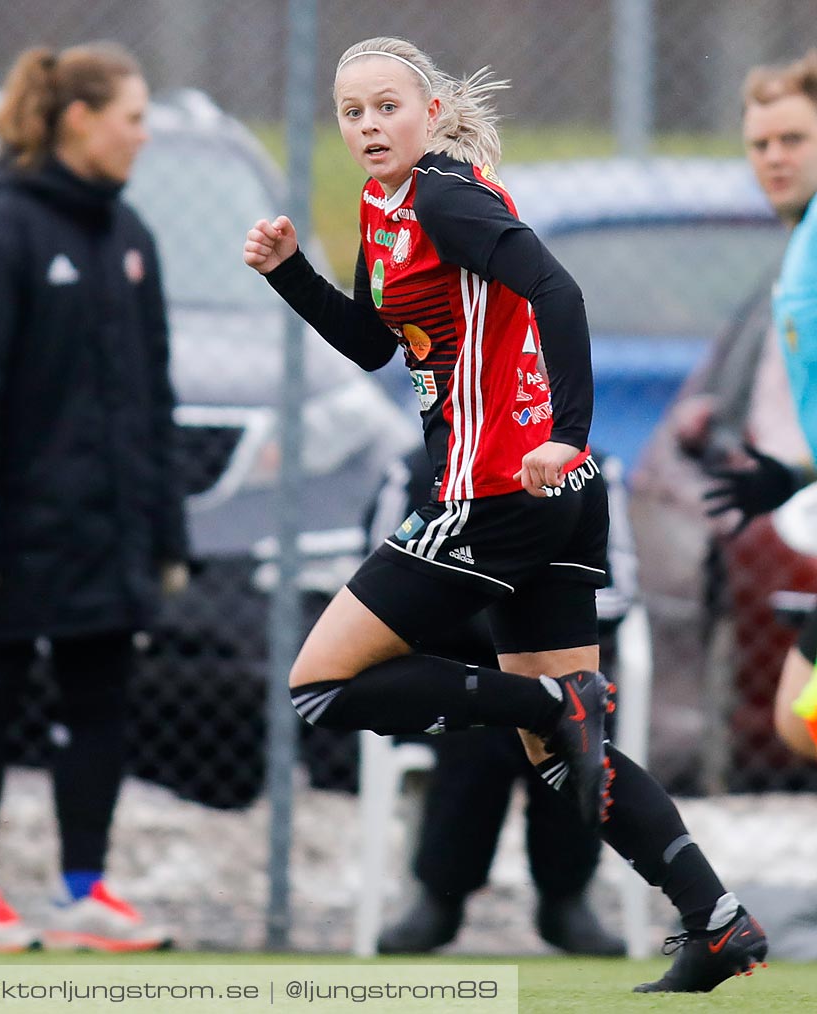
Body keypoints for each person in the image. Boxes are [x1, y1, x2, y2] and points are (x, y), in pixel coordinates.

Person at [241, 36, 767, 992]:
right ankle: (717, 919)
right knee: (570, 758)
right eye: (351, 111)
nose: (367, 125)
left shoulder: (445, 194)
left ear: (431, 111)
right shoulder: (385, 206)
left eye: (386, 106)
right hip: (545, 501)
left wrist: (567, 430)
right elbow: (372, 344)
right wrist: (289, 274)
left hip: (499, 490)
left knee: (320, 683)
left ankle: (545, 705)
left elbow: (555, 288)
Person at [0, 40, 185, 954]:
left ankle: (84, 892)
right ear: (79, 119)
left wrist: (166, 532)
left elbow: (153, 400)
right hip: (7, 542)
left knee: (99, 702)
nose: (144, 137)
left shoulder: (131, 240)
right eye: (133, 118)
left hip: (104, 539)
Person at [368, 445, 631, 956]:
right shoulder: (417, 469)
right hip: (450, 668)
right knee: (480, 726)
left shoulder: (592, 472)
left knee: (571, 720)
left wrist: (539, 622)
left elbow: (619, 588)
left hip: (557, 664)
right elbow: (376, 586)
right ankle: (441, 897)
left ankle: (565, 897)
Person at [702, 51, 817, 765]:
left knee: (801, 716)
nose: (773, 157)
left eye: (794, 140)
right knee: (798, 716)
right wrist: (797, 473)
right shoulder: (802, 240)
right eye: (760, 144)